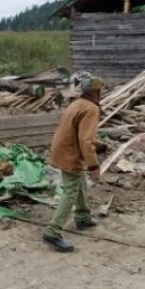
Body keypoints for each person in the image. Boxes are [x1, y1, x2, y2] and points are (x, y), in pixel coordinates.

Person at [43, 76, 104, 252]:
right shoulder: (91, 108)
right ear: (97, 92)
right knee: (70, 190)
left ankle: (83, 216)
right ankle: (53, 232)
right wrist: (94, 166)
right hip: (70, 152)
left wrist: (97, 145)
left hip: (62, 149)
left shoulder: (77, 103)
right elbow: (86, 140)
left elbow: (80, 133)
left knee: (80, 182)